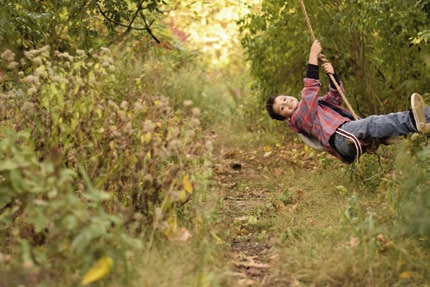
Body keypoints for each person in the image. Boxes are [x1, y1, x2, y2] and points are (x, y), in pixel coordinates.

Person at [265, 40, 429, 164]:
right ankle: (414, 122)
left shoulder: (316, 105)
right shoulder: (298, 120)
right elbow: (309, 92)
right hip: (340, 138)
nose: (287, 104)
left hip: (347, 129)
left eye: (285, 99)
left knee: (383, 121)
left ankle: (424, 119)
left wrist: (333, 76)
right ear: (286, 117)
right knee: (372, 123)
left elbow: (335, 97)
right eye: (283, 108)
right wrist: (312, 56)